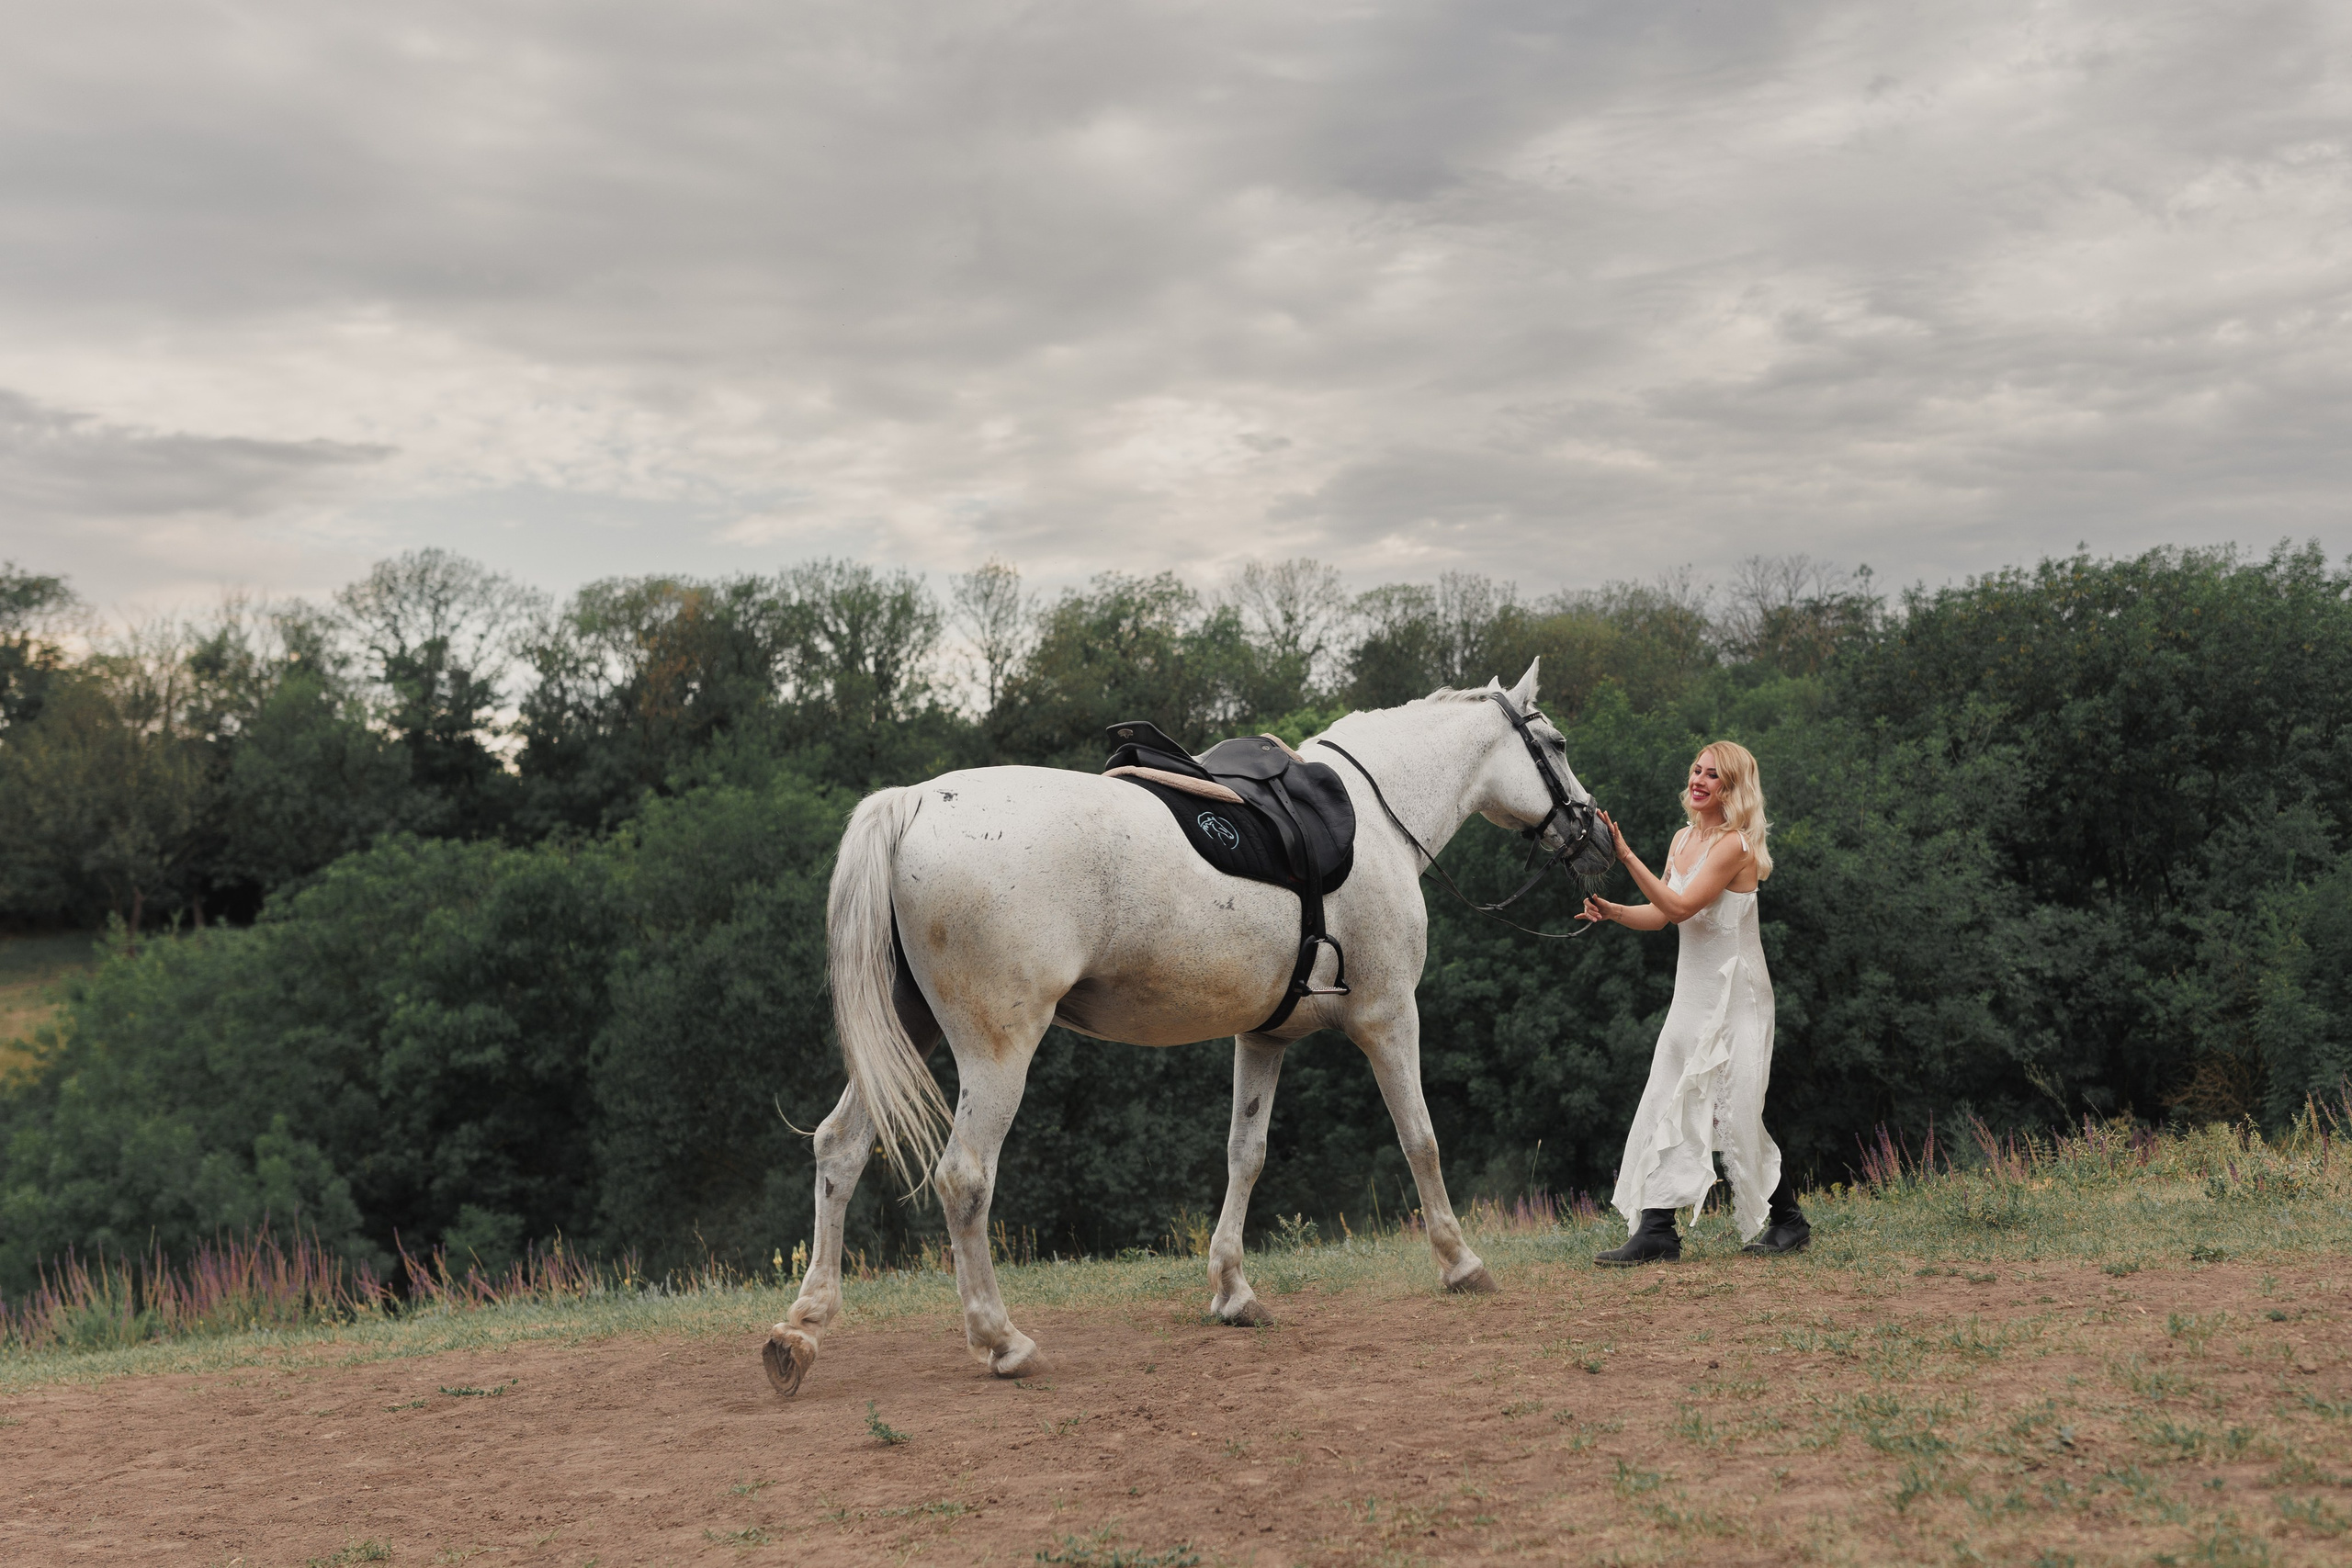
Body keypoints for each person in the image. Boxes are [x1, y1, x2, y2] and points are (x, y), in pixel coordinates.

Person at [1577, 740, 1810, 1265]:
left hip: (1736, 994)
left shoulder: (1734, 845)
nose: (1699, 780)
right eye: (1696, 771)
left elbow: (1680, 907)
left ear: (1732, 788)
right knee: (1666, 1096)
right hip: (1692, 995)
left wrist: (1625, 855)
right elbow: (1661, 916)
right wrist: (1613, 912)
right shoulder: (1683, 838)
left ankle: (1789, 1221)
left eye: (1714, 776)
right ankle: (1657, 1230)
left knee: (1735, 1115)